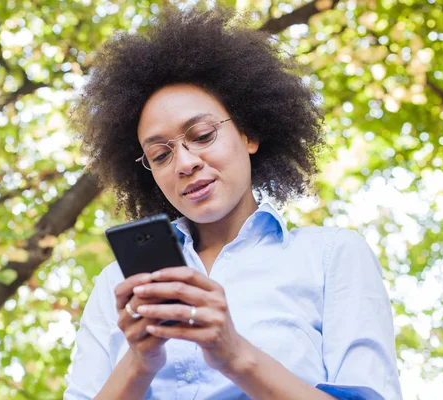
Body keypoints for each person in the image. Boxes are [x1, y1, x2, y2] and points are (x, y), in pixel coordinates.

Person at [64, 5, 402, 400]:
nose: (185, 163)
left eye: (204, 134)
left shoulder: (331, 256)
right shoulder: (117, 286)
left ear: (249, 135)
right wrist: (138, 364)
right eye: (160, 155)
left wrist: (235, 354)